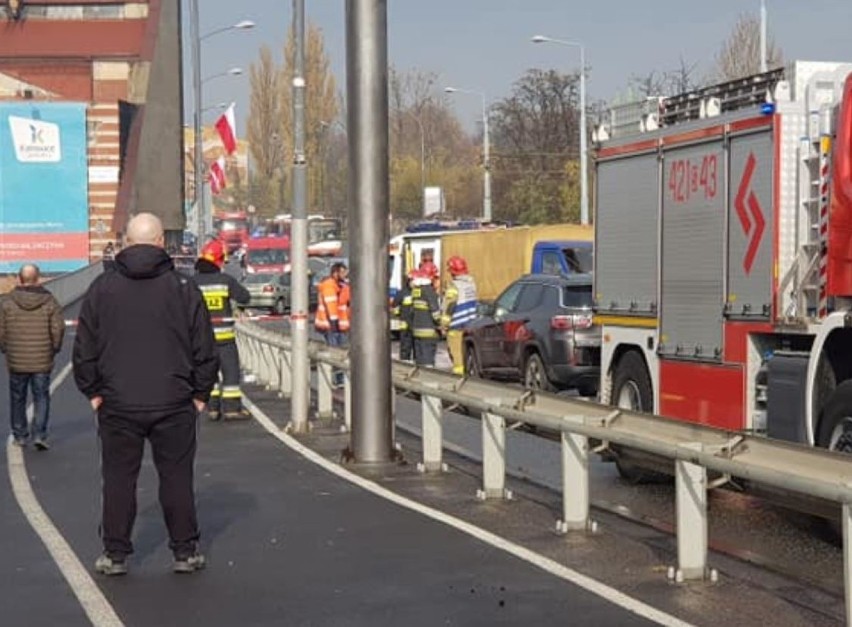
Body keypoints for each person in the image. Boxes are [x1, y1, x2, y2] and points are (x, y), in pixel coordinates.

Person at [73, 212, 219, 576]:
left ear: (125, 243)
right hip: (174, 401)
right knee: (176, 477)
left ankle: (116, 553)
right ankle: (184, 551)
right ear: (160, 243)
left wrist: (93, 392)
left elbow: (84, 349)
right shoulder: (183, 288)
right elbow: (205, 348)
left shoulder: (102, 290)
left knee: (119, 478)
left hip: (118, 402)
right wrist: (199, 395)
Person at [0, 264, 64, 449]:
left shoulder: (7, 302)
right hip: (42, 359)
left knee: (17, 397)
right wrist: (54, 348)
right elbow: (58, 328)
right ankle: (40, 434)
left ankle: (20, 434)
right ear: (38, 279)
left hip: (16, 358)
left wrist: (5, 348)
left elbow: (1, 329)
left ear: (19, 279)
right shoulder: (49, 301)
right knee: (41, 396)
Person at [192, 240, 251, 420]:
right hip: (224, 339)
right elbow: (244, 297)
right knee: (230, 372)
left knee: (209, 374)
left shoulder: (192, 283)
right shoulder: (225, 281)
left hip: (202, 340)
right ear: (219, 260)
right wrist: (237, 308)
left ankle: (213, 409)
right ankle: (232, 409)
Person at [441, 255, 478, 375]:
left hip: (456, 326)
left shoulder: (454, 286)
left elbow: (450, 306)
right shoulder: (471, 284)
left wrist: (444, 325)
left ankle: (459, 381)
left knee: (457, 356)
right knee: (466, 355)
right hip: (471, 325)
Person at [410, 269, 442, 366]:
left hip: (417, 330)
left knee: (419, 361)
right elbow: (435, 312)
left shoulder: (416, 291)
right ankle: (428, 379)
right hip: (428, 331)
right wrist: (441, 323)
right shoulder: (429, 291)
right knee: (428, 362)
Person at [391, 270, 415, 362]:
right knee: (405, 345)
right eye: (412, 281)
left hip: (415, 323)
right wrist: (400, 314)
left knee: (416, 346)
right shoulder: (402, 293)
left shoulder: (419, 292)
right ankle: (405, 361)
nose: (413, 283)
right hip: (405, 323)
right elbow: (395, 306)